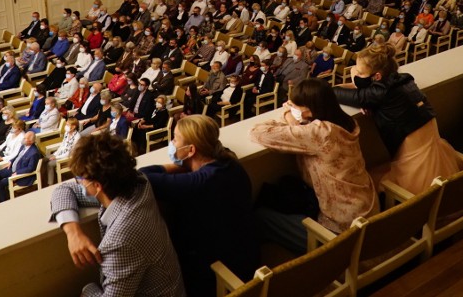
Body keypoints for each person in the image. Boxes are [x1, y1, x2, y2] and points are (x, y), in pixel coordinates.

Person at [249, 78, 379, 255]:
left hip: (340, 229)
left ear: (309, 110)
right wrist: (299, 122)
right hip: (366, 207)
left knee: (260, 218)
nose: (292, 108)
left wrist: (289, 116)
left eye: (295, 106)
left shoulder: (319, 132)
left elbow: (258, 133)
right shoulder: (347, 122)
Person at [48, 133, 185, 296]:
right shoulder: (138, 182)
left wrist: (87, 289)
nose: (78, 182)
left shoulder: (120, 241)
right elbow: (64, 190)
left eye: (79, 178)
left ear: (97, 186)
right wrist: (73, 233)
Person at [141, 115, 258, 296]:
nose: (172, 143)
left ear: (191, 150)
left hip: (214, 272)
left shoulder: (195, 183)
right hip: (245, 253)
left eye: (175, 138)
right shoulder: (231, 163)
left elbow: (141, 176)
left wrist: (175, 167)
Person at [333, 45, 459, 194]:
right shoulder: (403, 78)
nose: (357, 76)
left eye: (360, 73)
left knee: (371, 183)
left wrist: (361, 91)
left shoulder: (378, 93)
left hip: (417, 160)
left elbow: (333, 92)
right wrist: (361, 85)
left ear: (377, 76)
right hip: (432, 142)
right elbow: (364, 85)